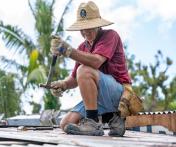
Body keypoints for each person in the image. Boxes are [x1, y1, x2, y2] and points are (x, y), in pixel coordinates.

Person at [50, 1, 131, 137]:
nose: (85, 31)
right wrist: (62, 84)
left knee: (84, 70)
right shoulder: (83, 47)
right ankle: (112, 119)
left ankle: (94, 122)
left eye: (90, 27)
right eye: (82, 28)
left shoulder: (111, 35)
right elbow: (75, 79)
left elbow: (96, 62)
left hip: (118, 94)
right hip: (98, 96)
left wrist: (68, 51)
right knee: (65, 124)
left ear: (98, 24)